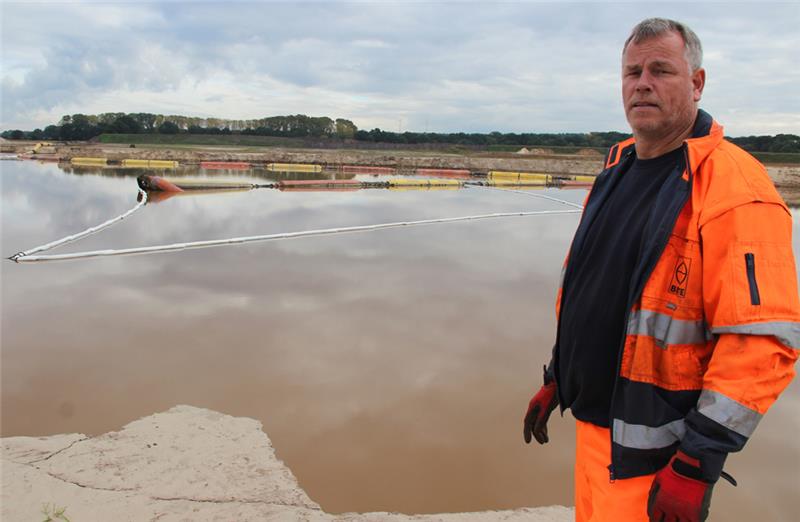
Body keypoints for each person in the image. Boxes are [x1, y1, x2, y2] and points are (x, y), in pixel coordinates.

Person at [523, 17, 799, 522]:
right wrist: (558, 377)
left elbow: (761, 343)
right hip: (597, 437)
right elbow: (599, 290)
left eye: (660, 70)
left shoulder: (735, 188)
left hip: (655, 459)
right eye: (631, 72)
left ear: (696, 83)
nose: (642, 83)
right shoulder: (617, 168)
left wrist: (697, 461)